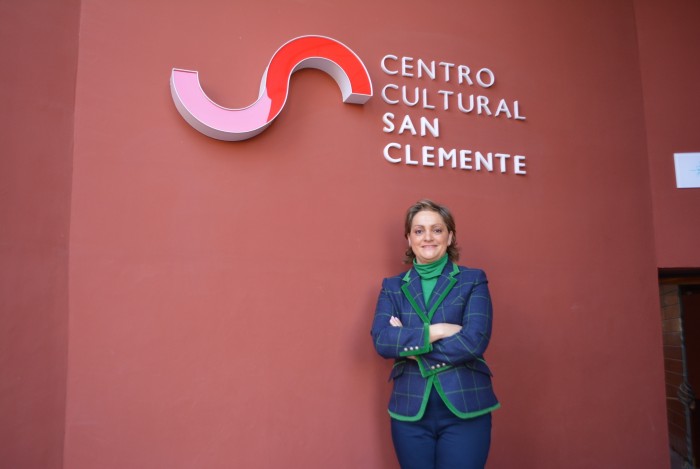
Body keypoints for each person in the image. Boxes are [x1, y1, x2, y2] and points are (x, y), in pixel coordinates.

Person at [371, 199, 499, 469]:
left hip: (466, 406)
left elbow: (474, 341)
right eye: (419, 231)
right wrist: (439, 330)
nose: (427, 237)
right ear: (408, 238)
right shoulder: (392, 287)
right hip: (410, 411)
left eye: (437, 230)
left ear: (450, 236)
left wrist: (411, 347)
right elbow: (383, 340)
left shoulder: (473, 280)